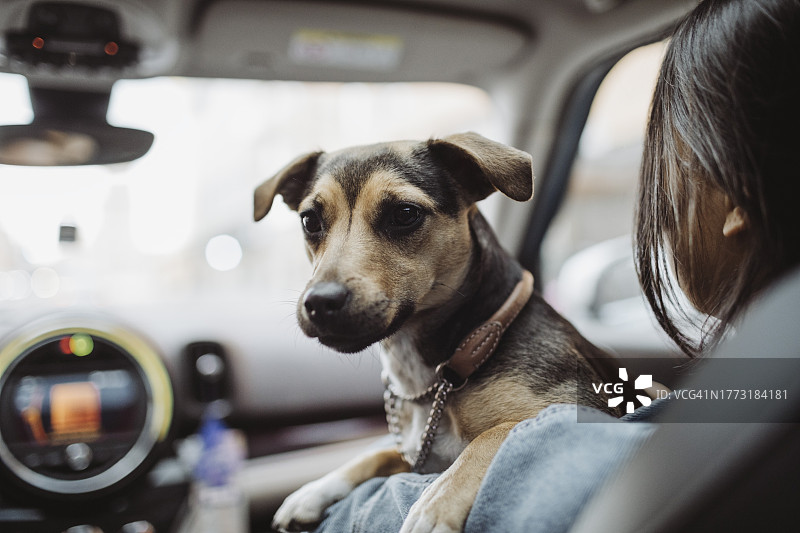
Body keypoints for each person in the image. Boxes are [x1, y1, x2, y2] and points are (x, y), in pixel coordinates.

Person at [305, 1, 800, 531]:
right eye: (314, 224)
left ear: (737, 199)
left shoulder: (568, 451)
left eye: (667, 166)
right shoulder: (755, 390)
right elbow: (628, 399)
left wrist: (353, 507)